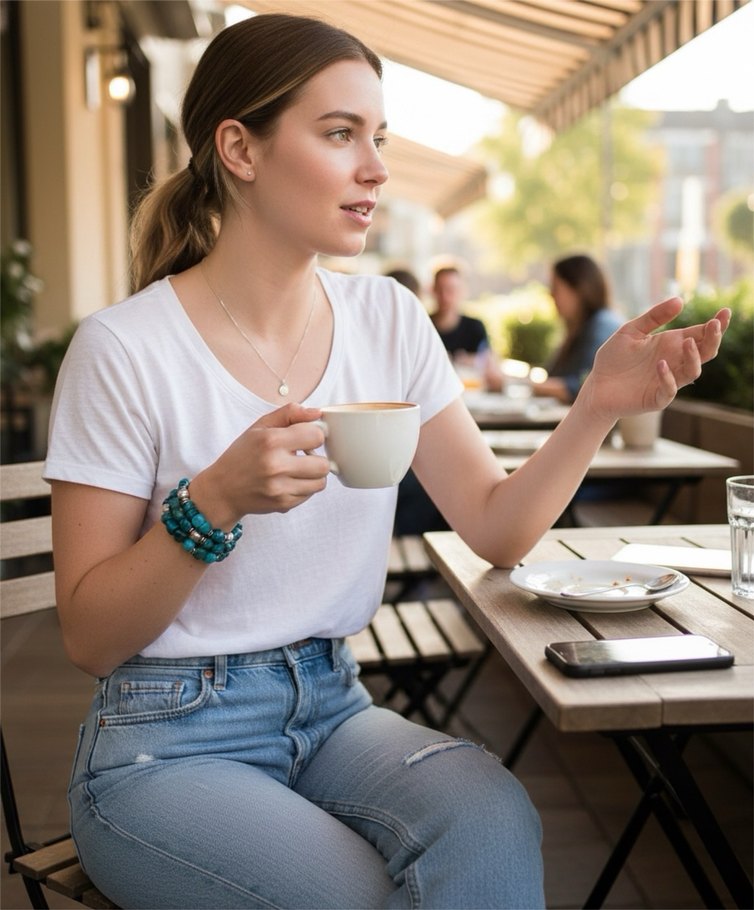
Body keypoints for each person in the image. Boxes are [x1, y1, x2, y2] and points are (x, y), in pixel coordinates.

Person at [43, 13, 729, 910]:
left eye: (380, 138)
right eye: (339, 135)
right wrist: (209, 502)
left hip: (332, 707)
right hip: (163, 741)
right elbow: (90, 637)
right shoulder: (123, 349)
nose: (375, 168)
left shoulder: (390, 322)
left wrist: (596, 405)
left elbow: (496, 525)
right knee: (358, 897)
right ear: (239, 149)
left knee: (492, 821)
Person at [532, 254, 624, 403]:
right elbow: (552, 377)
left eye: (555, 288)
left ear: (579, 289)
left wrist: (512, 385)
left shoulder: (602, 325)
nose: (551, 296)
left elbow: (580, 387)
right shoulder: (579, 328)